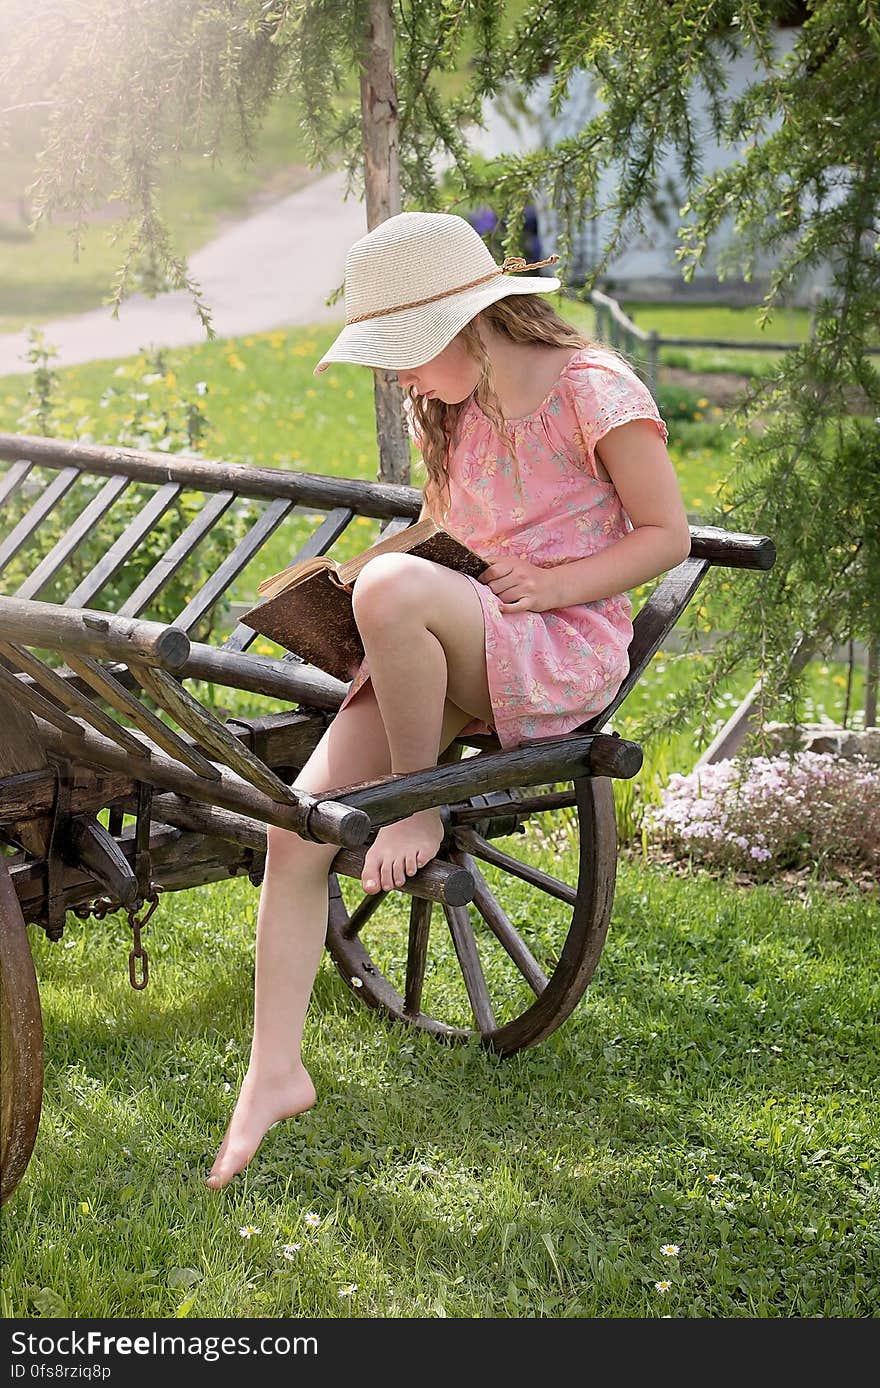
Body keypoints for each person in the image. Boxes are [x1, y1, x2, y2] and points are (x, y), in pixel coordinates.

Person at [206, 211, 691, 1189]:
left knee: (393, 594)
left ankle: (418, 801)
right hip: (461, 641)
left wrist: (553, 584)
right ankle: (273, 1069)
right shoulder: (454, 409)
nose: (395, 378)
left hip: (559, 640)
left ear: (459, 323)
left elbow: (665, 532)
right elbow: (451, 527)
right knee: (295, 828)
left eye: (399, 354)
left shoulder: (594, 391)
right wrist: (368, 572)